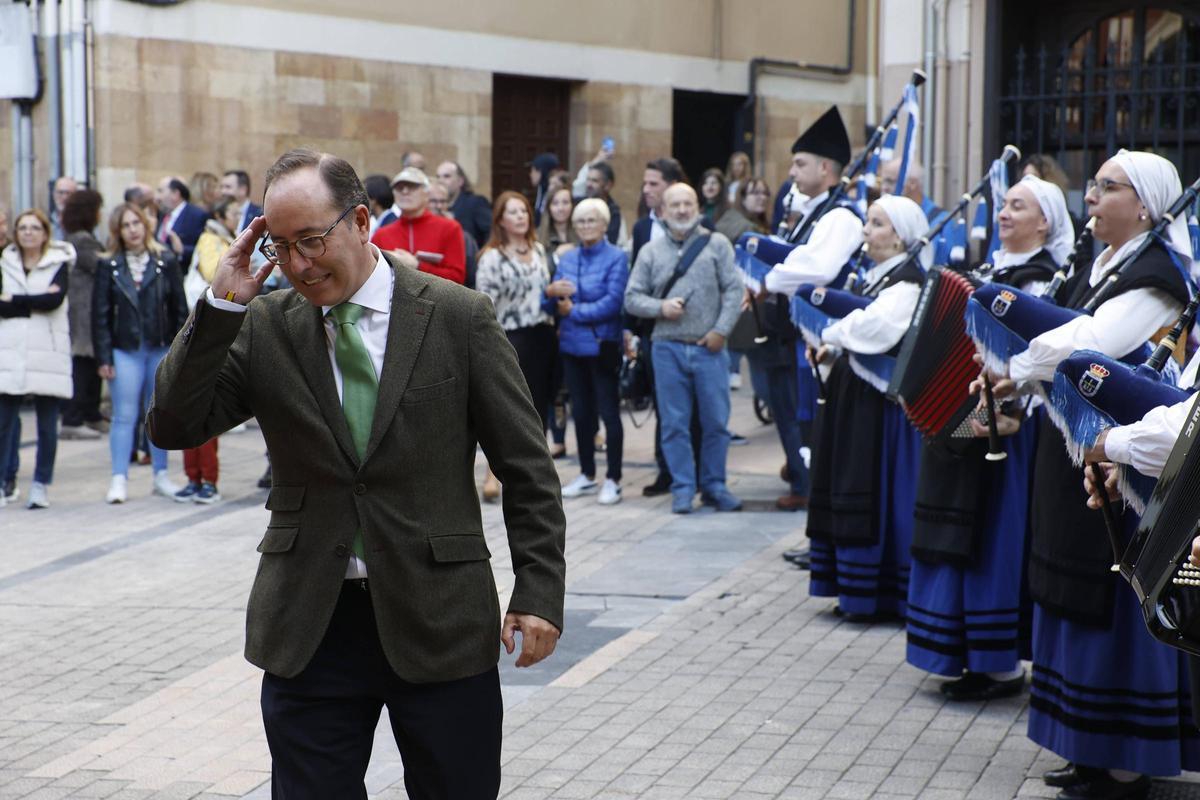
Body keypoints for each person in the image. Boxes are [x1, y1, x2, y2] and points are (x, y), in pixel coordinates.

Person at [147, 148, 566, 798]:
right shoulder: (263, 327)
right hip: (312, 622)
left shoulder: (458, 317)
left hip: (440, 616)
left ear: (362, 220)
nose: (299, 264)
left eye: (312, 240)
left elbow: (527, 467)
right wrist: (220, 307)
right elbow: (173, 425)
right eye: (281, 248)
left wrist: (538, 591)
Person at [986, 151, 1197, 797]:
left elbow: (1088, 345)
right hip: (1086, 450)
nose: (1093, 198)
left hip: (1130, 466)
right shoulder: (1097, 264)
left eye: (1109, 188)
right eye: (1095, 186)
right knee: (1068, 586)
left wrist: (1016, 368)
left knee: (1110, 598)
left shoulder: (1157, 279)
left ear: (1145, 206)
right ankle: (1082, 744)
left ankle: (1125, 756)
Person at [905, 175, 1073, 703]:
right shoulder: (983, 273)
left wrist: (998, 405)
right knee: (951, 526)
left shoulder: (1045, 283)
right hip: (962, 420)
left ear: (1044, 222)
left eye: (1017, 207)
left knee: (989, 537)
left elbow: (1039, 357)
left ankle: (996, 664)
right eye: (1003, 205)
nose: (1003, 213)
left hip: (1004, 423)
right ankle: (956, 651)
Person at [803, 195, 928, 619]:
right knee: (846, 481)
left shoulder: (908, 282)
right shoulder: (875, 277)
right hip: (855, 396)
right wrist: (831, 347)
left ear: (898, 237)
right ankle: (850, 583)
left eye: (875, 224)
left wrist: (831, 334)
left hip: (880, 406)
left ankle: (878, 592)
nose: (866, 231)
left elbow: (876, 328)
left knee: (874, 489)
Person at [625, 183, 744, 513]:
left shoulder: (717, 244)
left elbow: (735, 291)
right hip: (667, 349)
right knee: (675, 424)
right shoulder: (651, 252)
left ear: (698, 208)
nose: (681, 210)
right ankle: (682, 487)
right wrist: (661, 308)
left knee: (716, 423)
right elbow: (631, 298)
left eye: (687, 203)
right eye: (674, 204)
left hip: (710, 348)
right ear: (662, 210)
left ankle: (714, 486)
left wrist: (721, 331)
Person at [94, 202, 188, 504]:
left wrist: (181, 351)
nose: (132, 230)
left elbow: (180, 310)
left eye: (136, 223)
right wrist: (104, 357)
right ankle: (118, 478)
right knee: (124, 415)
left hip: (160, 347)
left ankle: (161, 475)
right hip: (125, 348)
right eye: (125, 225)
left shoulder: (165, 260)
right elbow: (100, 315)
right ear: (117, 231)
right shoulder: (108, 265)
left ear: (144, 226)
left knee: (158, 414)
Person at [475, 191, 559, 502]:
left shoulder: (539, 250)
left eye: (524, 211)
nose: (521, 216)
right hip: (510, 337)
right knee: (507, 408)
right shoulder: (492, 256)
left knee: (539, 407)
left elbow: (543, 294)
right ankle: (492, 473)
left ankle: (537, 472)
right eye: (513, 212)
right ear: (500, 220)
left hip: (543, 336)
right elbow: (485, 303)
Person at [546, 198, 628, 505]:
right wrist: (551, 295)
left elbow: (613, 302)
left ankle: (614, 478)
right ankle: (587, 473)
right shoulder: (568, 258)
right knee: (580, 413)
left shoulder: (617, 257)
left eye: (591, 220)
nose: (585, 226)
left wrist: (574, 311)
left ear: (605, 225)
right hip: (570, 346)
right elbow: (553, 300)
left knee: (609, 412)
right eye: (580, 221)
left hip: (600, 345)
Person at [0, 209, 74, 509]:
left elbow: (54, 301)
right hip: (10, 350)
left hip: (48, 351)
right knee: (4, 422)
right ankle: (5, 481)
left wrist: (15, 301)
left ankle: (41, 483)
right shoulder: (4, 262)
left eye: (34, 228)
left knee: (46, 425)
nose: (28, 232)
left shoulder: (59, 262)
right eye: (22, 228)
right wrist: (35, 301)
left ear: (45, 232)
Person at [174, 199, 243, 505]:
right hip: (200, 328)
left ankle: (205, 479)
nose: (236, 219)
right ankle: (196, 478)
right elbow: (215, 274)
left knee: (202, 409)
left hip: (209, 331)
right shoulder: (210, 239)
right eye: (233, 214)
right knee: (190, 407)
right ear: (219, 216)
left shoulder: (224, 239)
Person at [60, 189, 108, 440]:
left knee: (90, 363)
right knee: (82, 365)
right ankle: (73, 417)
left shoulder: (78, 237)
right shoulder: (82, 241)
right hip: (83, 312)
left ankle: (90, 414)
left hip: (84, 310)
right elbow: (103, 265)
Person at [371, 168, 466, 285]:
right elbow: (373, 278)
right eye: (399, 188)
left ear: (426, 193)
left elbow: (457, 278)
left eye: (412, 187)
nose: (405, 191)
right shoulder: (381, 234)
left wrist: (417, 265)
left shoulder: (450, 228)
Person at [879, 158, 967, 267]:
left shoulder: (942, 223)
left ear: (912, 184)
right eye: (881, 181)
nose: (884, 188)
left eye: (890, 181)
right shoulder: (886, 219)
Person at [154, 176, 209, 273]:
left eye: (160, 191)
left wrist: (183, 250)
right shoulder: (162, 214)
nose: (157, 197)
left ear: (175, 194)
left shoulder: (196, 215)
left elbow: (205, 250)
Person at [435, 161, 492, 248]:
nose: (440, 181)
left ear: (460, 181)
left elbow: (491, 232)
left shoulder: (475, 203)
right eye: (438, 177)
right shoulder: (433, 205)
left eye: (447, 176)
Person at [578, 161, 625, 247]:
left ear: (608, 185)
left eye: (594, 181)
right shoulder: (579, 205)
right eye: (588, 180)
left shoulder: (613, 212)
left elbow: (610, 241)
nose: (589, 184)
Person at [716, 177, 771, 244]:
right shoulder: (749, 229)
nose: (763, 197)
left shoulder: (729, 214)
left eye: (765, 193)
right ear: (743, 198)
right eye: (756, 193)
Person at [528, 152, 560, 227]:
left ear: (541, 172)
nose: (531, 174)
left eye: (533, 170)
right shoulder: (541, 188)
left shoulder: (554, 190)